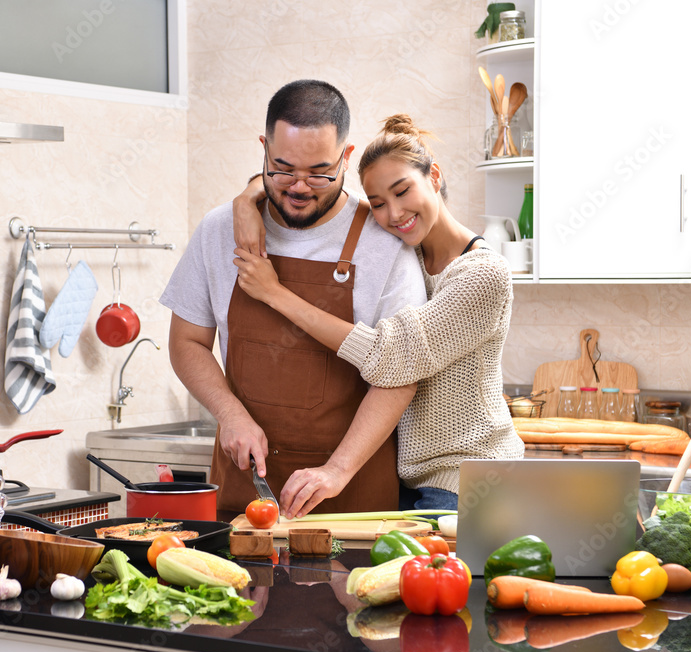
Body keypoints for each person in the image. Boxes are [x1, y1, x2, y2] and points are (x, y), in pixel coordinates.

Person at [160, 80, 427, 519]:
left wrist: (337, 470)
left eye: (320, 172)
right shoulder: (217, 230)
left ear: (346, 155)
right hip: (245, 489)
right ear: (263, 148)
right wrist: (230, 414)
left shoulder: (385, 244)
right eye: (283, 169)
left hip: (351, 495)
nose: (300, 187)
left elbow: (399, 374)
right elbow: (186, 341)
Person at [232, 114, 525, 511]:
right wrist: (246, 200)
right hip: (409, 477)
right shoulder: (409, 255)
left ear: (434, 176)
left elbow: (394, 358)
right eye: (380, 204)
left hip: (469, 478)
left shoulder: (484, 275)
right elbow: (281, 180)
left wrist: (274, 294)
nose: (394, 214)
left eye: (403, 191)